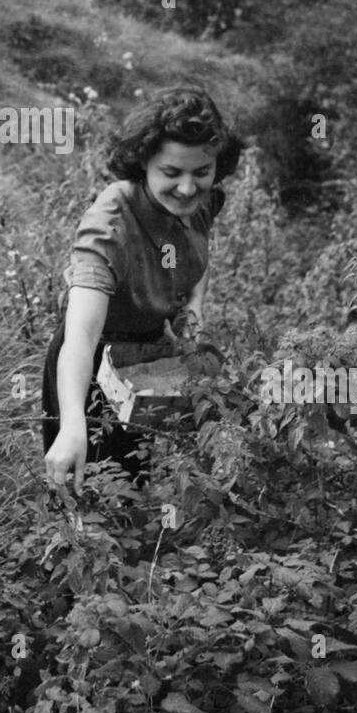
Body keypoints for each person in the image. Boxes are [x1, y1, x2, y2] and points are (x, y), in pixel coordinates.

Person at [42, 86, 242, 495]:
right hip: (92, 368)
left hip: (149, 360)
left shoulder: (202, 201)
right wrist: (73, 424)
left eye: (201, 172)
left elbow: (200, 243)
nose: (188, 188)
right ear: (143, 163)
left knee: (132, 485)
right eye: (171, 173)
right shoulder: (109, 224)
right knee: (84, 496)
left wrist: (195, 305)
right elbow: (81, 335)